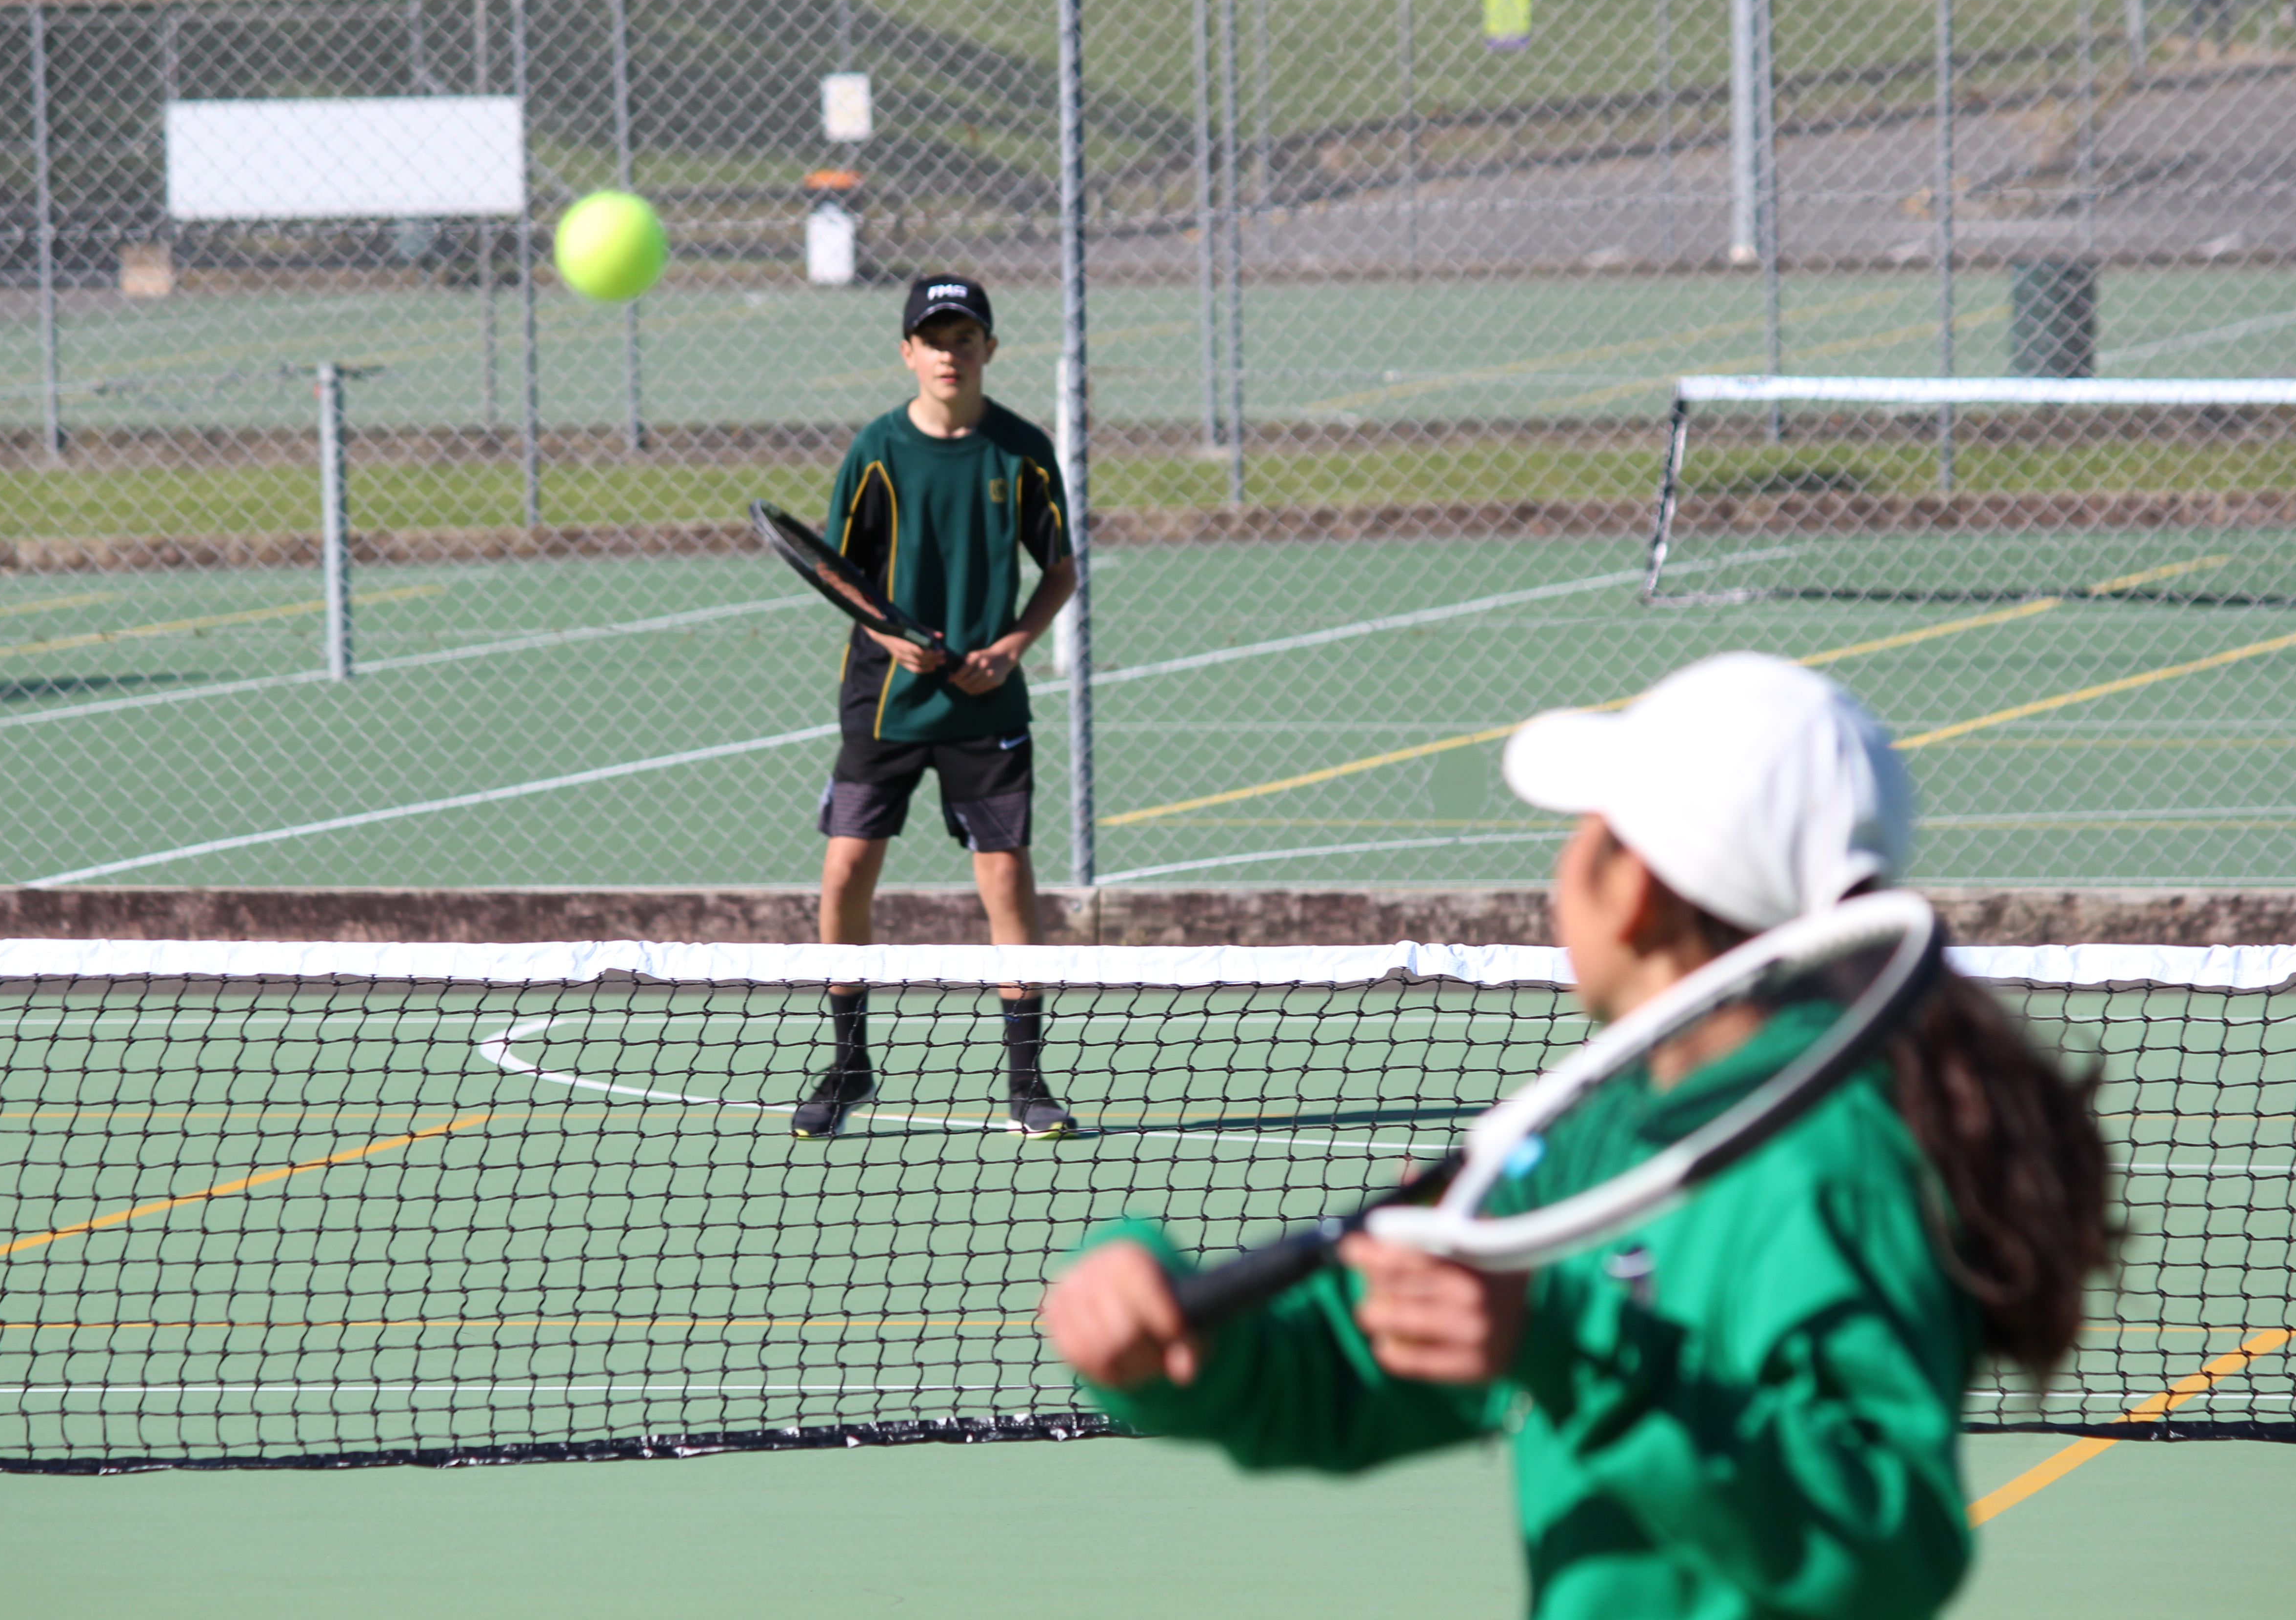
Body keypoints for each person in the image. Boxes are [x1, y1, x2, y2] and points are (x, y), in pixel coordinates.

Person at [1041, 653, 2115, 1620]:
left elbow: (1891, 1548)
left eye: (1584, 830)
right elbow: (1356, 1367)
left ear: (1634, 888)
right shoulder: (1599, 1136)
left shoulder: (1836, 1165)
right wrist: (1177, 1340)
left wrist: (1571, 1348)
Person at [794, 273, 1082, 1141]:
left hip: (986, 708)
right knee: (846, 871)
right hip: (883, 703)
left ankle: (1028, 1083)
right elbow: (839, 573)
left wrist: (1014, 645)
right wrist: (889, 638)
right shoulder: (876, 450)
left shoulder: (1022, 451)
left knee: (1007, 879)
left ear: (989, 349)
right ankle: (849, 1063)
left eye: (964, 340)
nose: (949, 355)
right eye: (934, 340)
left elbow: (1060, 569)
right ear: (908, 353)